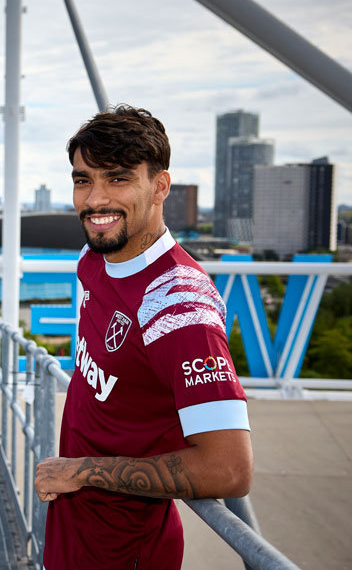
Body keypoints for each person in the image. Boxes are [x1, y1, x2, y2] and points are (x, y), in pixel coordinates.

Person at [35, 105, 253, 569]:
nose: (94, 201)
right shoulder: (96, 257)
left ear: (160, 186)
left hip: (125, 548)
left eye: (117, 178)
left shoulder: (179, 306)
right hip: (74, 525)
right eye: (82, 180)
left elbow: (229, 469)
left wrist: (82, 470)